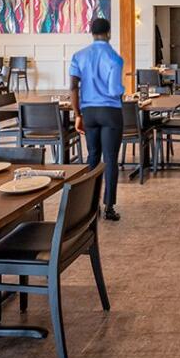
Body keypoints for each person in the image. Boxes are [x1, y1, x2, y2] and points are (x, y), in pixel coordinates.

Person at [70, 17, 124, 221]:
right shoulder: (115, 58)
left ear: (92, 34)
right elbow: (114, 90)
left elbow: (73, 87)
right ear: (109, 33)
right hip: (110, 112)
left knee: (93, 156)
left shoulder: (79, 56)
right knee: (110, 159)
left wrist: (77, 114)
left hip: (89, 112)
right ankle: (109, 207)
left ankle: (91, 206)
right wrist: (122, 89)